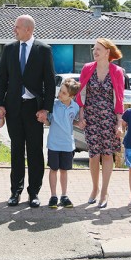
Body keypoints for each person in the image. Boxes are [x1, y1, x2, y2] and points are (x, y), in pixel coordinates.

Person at [0, 14, 56, 208]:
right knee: (16, 150)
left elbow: (49, 82)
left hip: (34, 109)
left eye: (17, 27)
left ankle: (34, 192)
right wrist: (0, 104)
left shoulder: (43, 50)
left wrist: (46, 109)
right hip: (13, 107)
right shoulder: (9, 49)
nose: (14, 30)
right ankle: (16, 191)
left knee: (35, 151)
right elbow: (1, 78)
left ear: (28, 29)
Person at [76, 38, 125, 209]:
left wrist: (119, 123)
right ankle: (94, 189)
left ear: (107, 52)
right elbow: (80, 94)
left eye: (98, 49)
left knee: (107, 154)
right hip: (91, 118)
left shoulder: (117, 71)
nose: (95, 51)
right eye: (94, 49)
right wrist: (81, 116)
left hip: (109, 119)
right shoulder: (87, 68)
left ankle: (104, 191)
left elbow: (119, 98)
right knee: (93, 155)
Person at [45, 78, 81, 209]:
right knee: (53, 169)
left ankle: (64, 196)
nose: (60, 94)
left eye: (64, 93)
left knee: (64, 171)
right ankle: (53, 196)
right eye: (60, 90)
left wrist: (79, 123)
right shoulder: (53, 105)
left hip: (67, 145)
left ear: (71, 96)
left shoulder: (75, 107)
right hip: (54, 144)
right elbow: (48, 122)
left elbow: (73, 121)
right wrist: (44, 119)